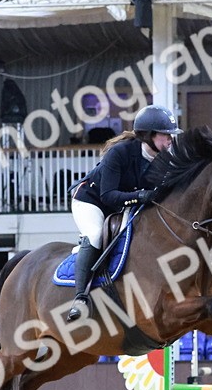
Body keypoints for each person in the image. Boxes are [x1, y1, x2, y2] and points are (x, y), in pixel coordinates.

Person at [66, 104, 180, 321]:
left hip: (123, 205)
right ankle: (80, 298)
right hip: (92, 202)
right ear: (149, 136)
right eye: (166, 136)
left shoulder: (165, 161)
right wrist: (140, 196)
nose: (170, 141)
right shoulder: (119, 153)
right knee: (96, 234)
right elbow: (108, 195)